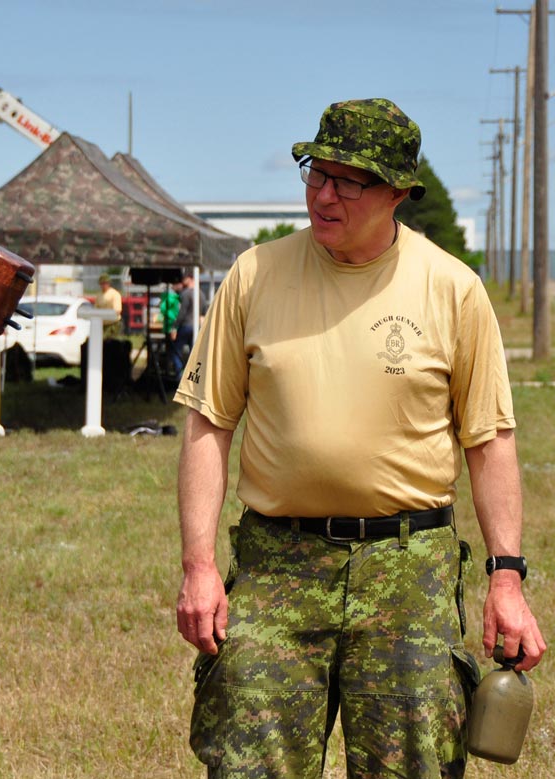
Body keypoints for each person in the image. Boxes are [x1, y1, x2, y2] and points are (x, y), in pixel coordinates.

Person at [173, 98, 546, 779]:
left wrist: (507, 577)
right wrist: (199, 565)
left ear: (398, 192)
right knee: (249, 765)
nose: (323, 194)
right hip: (277, 566)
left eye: (350, 181)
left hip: (409, 570)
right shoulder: (255, 275)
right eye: (317, 172)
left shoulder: (453, 289)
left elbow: (488, 445)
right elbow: (208, 421)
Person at [171, 271, 195, 376]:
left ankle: (179, 376)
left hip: (185, 326)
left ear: (190, 279)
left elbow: (181, 313)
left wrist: (174, 327)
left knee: (176, 351)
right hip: (196, 327)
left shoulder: (185, 294)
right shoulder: (201, 294)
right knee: (194, 354)